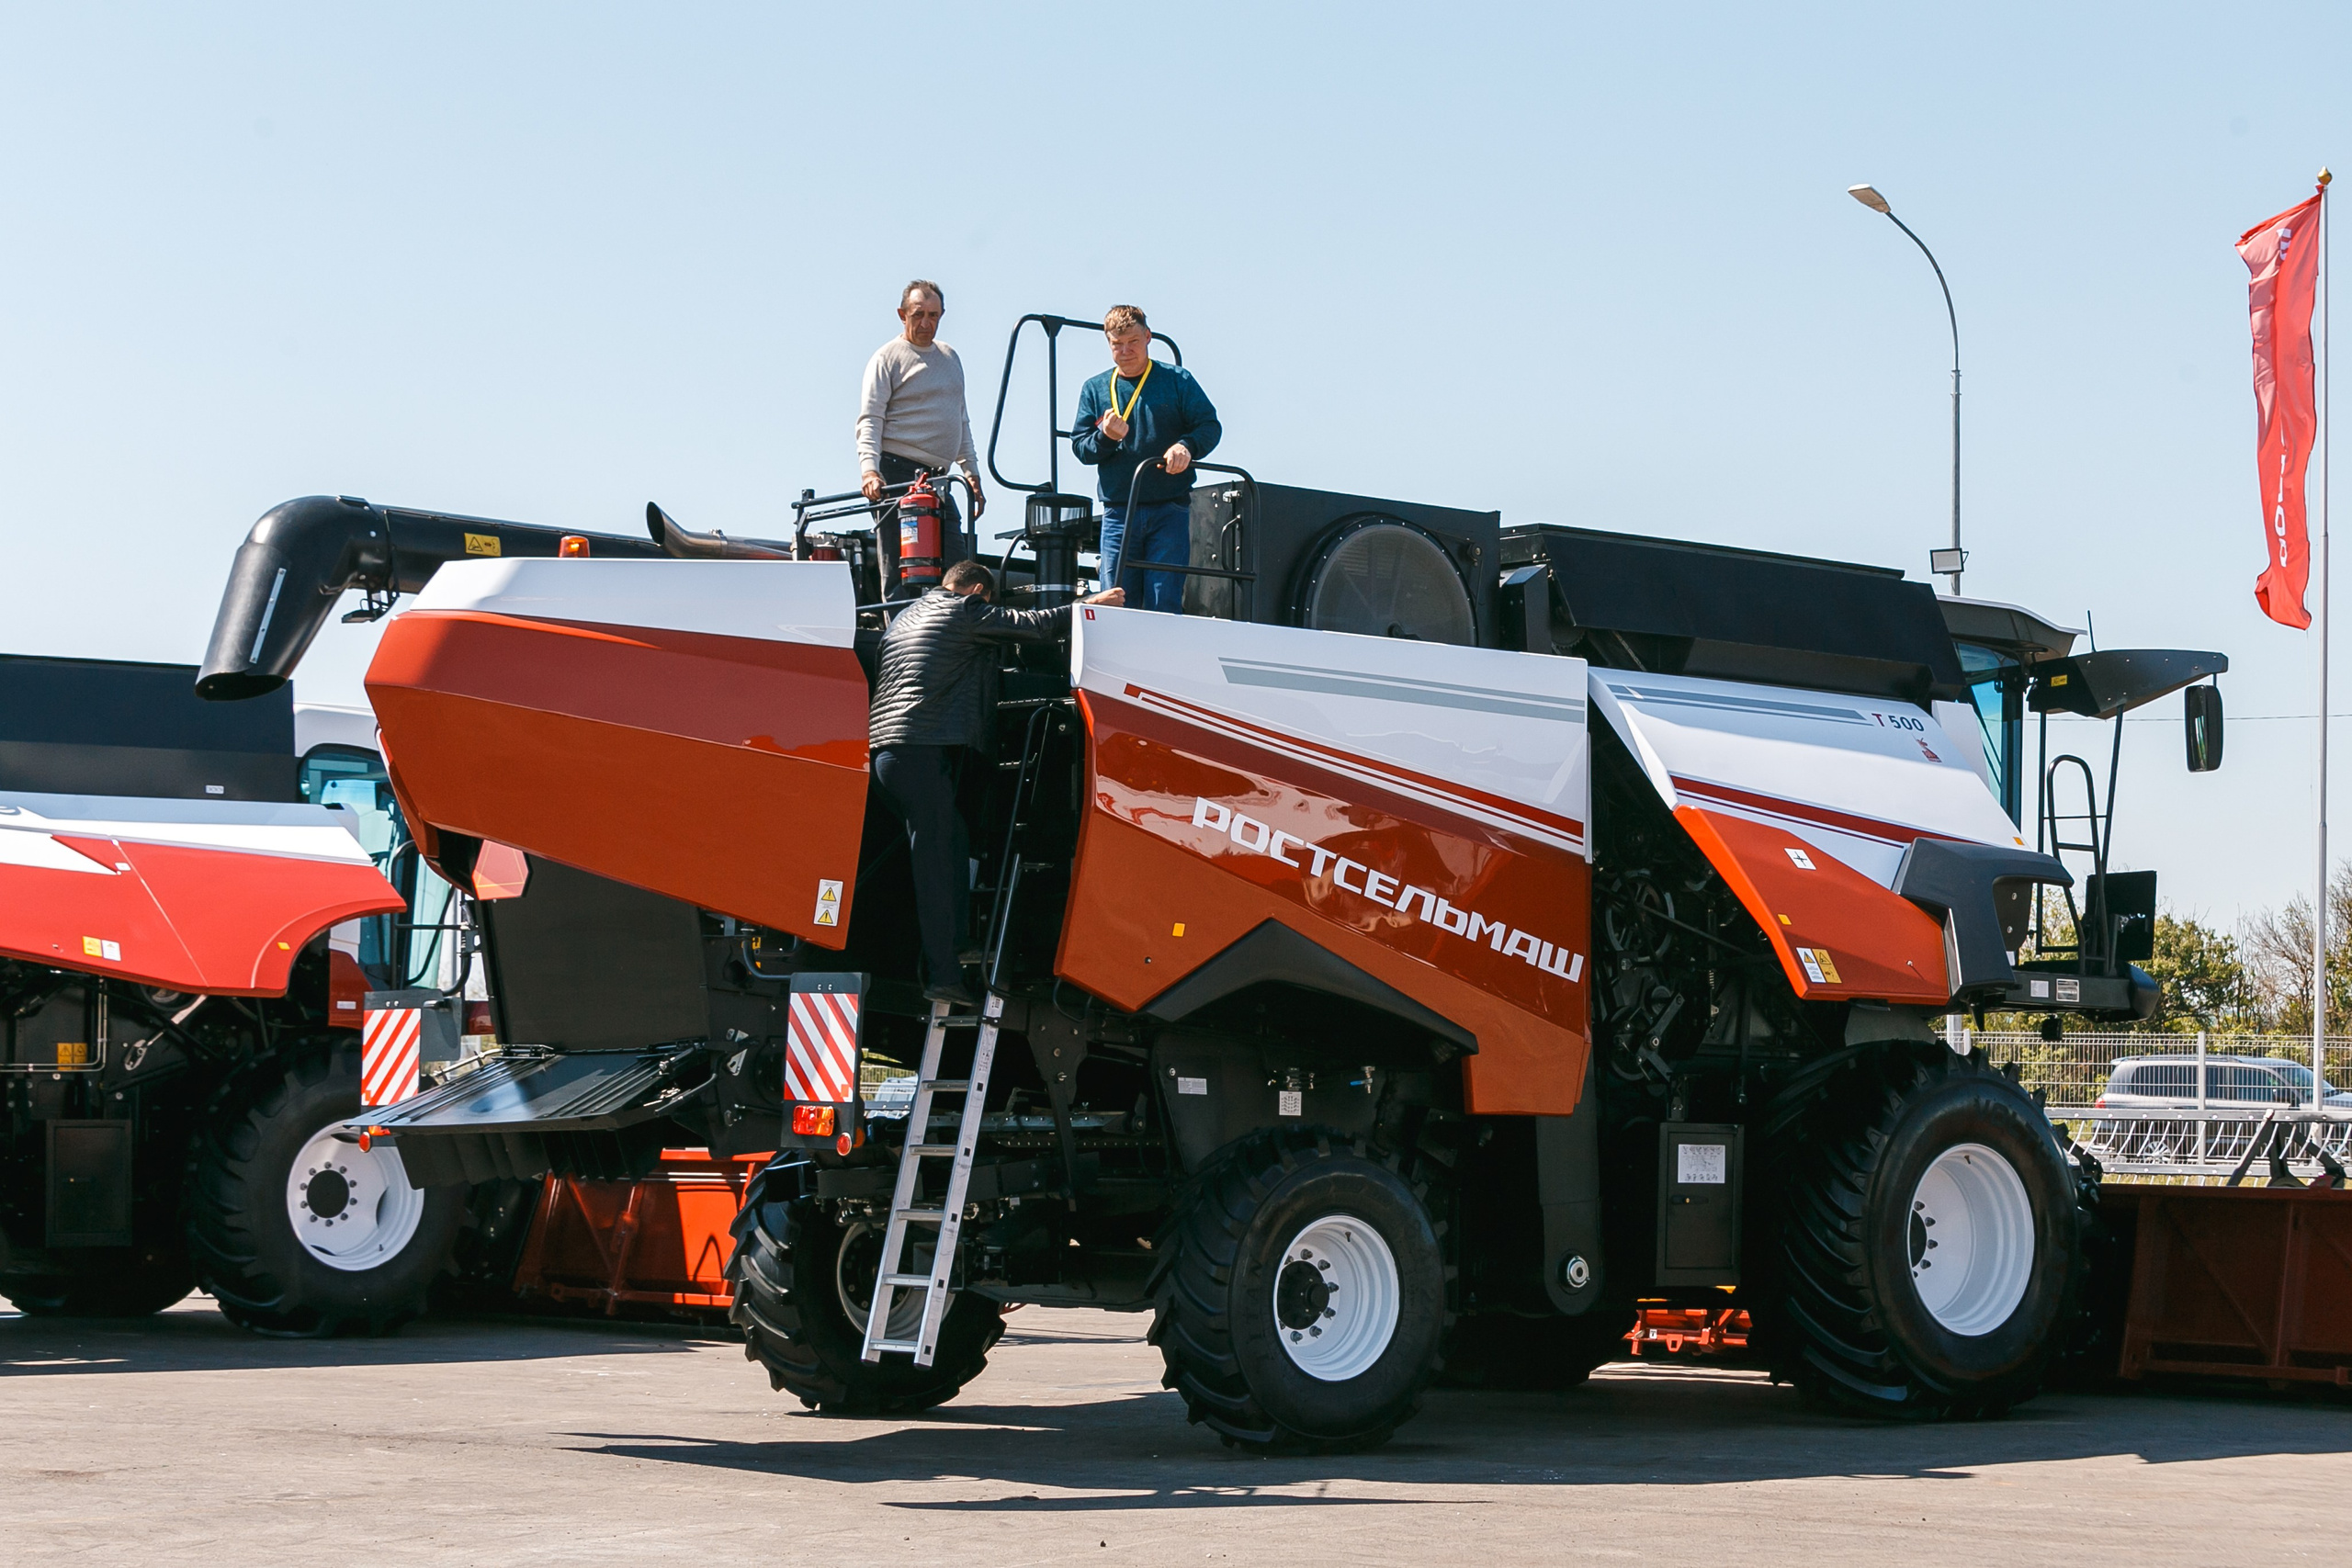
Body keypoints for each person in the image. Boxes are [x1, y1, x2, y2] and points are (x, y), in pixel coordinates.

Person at [867, 560, 1123, 1006]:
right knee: (936, 863)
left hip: (888, 755)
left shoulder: (904, 618)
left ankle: (956, 943)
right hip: (920, 750)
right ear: (978, 591)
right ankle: (943, 974)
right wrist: (1089, 605)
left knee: (951, 842)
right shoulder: (964, 610)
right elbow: (1033, 625)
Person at [1071, 305, 1221, 614]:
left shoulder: (1177, 380)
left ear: (1148, 337)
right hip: (1118, 511)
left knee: (1163, 602)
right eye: (1117, 344)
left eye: (1133, 342)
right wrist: (1105, 437)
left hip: (1169, 508)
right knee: (1115, 603)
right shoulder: (1095, 388)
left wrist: (1186, 446)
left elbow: (1209, 426)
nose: (1125, 351)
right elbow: (1081, 448)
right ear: (1108, 343)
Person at [857, 280, 986, 596]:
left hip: (940, 479)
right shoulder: (887, 357)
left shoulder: (949, 358)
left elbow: (960, 419)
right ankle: (899, 624)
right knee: (902, 567)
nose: (926, 323)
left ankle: (952, 622)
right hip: (897, 473)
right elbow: (870, 418)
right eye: (918, 315)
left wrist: (971, 473)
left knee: (956, 568)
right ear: (902, 315)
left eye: (933, 315)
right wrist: (869, 471)